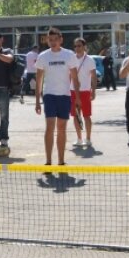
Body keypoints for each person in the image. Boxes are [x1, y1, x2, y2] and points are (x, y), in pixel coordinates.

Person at [34, 28, 78, 167]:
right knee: (50, 127)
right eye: (50, 40)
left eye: (55, 39)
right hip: (49, 95)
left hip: (64, 95)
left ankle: (61, 160)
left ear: (61, 40)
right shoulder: (43, 56)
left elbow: (75, 78)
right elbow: (39, 79)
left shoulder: (69, 55)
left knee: (62, 128)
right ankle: (48, 161)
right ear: (47, 41)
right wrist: (37, 101)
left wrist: (77, 97)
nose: (53, 42)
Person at [70, 38, 98, 147]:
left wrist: (93, 91)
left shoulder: (89, 60)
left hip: (85, 91)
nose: (77, 48)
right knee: (75, 116)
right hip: (73, 91)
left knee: (86, 115)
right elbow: (68, 75)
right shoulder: (71, 59)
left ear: (84, 47)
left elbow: (94, 76)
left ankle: (88, 139)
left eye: (79, 46)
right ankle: (79, 139)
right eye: (75, 46)